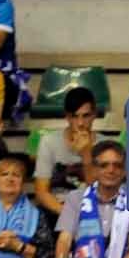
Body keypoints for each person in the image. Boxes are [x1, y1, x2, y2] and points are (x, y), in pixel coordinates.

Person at [33, 88, 99, 219]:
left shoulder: (107, 144)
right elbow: (41, 191)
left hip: (93, 211)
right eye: (75, 116)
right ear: (67, 117)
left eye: (86, 116)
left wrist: (86, 154)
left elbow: (101, 193)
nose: (80, 123)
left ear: (94, 115)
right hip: (57, 209)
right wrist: (68, 216)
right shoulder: (49, 142)